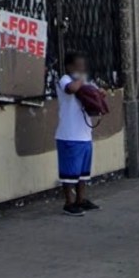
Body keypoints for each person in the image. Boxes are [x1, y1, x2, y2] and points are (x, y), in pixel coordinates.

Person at [56, 51, 100, 216]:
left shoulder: (85, 81)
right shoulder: (65, 79)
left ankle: (81, 199)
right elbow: (71, 89)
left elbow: (98, 92)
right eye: (78, 66)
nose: (81, 69)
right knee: (69, 173)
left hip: (84, 134)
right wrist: (82, 80)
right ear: (69, 67)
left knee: (82, 173)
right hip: (69, 134)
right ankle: (69, 202)